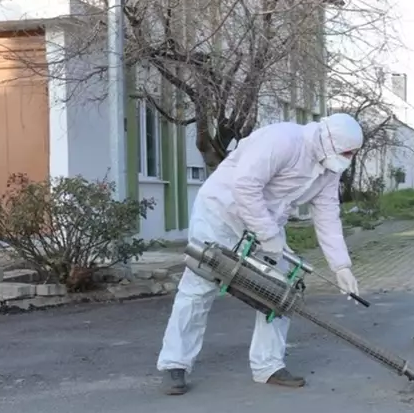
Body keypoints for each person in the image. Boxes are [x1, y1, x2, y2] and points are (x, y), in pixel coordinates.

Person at [155, 113, 364, 395]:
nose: (348, 159)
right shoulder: (283, 140)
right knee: (199, 286)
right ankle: (174, 364)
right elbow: (246, 186)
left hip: (266, 225)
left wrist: (341, 266)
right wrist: (267, 233)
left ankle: (268, 366)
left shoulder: (330, 167)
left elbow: (326, 213)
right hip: (221, 214)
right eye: (347, 153)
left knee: (282, 290)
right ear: (328, 141)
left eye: (352, 154)